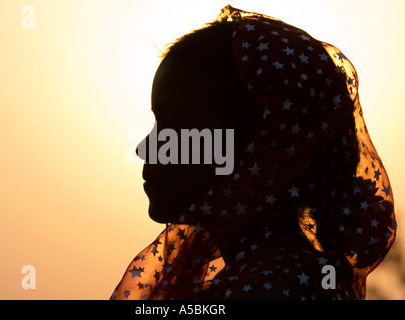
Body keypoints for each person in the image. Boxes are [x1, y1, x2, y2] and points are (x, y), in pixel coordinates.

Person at [110, 5, 396, 300]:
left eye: (171, 122)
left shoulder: (275, 289)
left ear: (260, 147)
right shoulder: (284, 276)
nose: (145, 148)